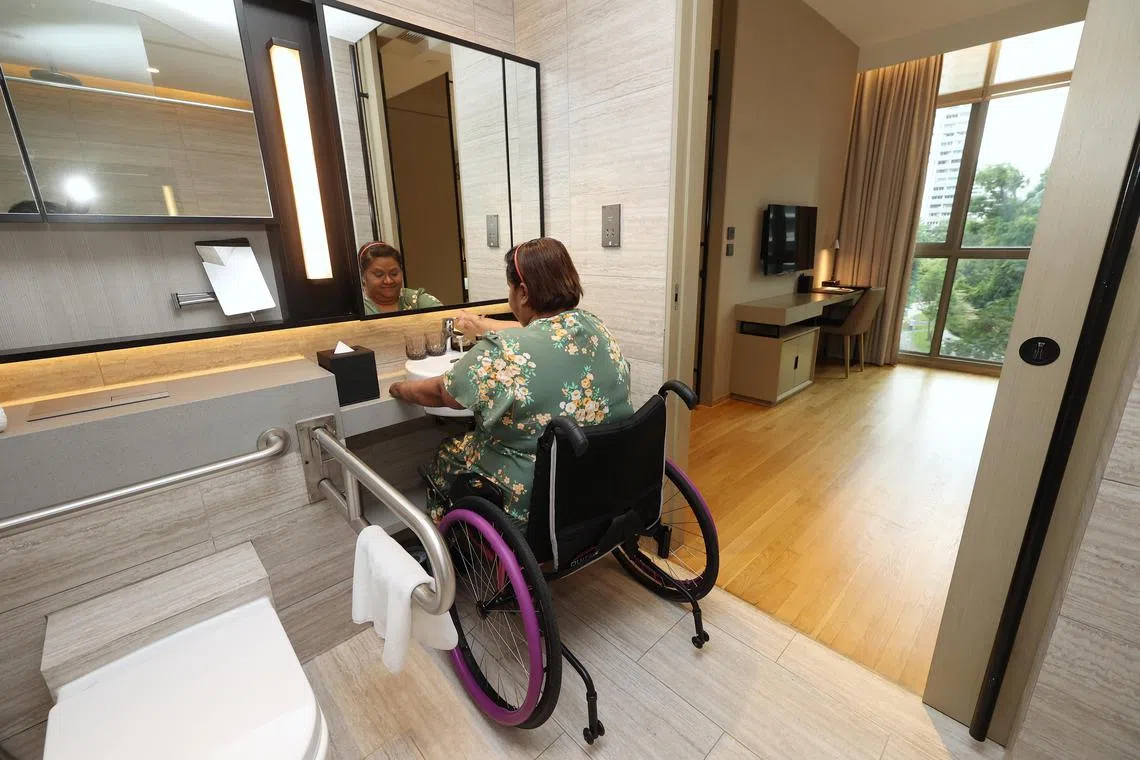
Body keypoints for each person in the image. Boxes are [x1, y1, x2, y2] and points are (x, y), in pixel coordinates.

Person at [388, 237, 634, 523]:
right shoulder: (595, 325)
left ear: (524, 293)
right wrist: (480, 325)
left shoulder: (505, 351)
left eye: (510, 288)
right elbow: (532, 328)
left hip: (533, 494)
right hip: (597, 477)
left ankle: (450, 547)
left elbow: (443, 393)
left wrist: (399, 388)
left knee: (448, 453)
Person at [359, 241, 443, 314]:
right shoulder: (357, 309)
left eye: (394, 274)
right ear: (363, 276)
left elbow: (448, 322)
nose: (388, 281)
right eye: (379, 275)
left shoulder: (416, 300)